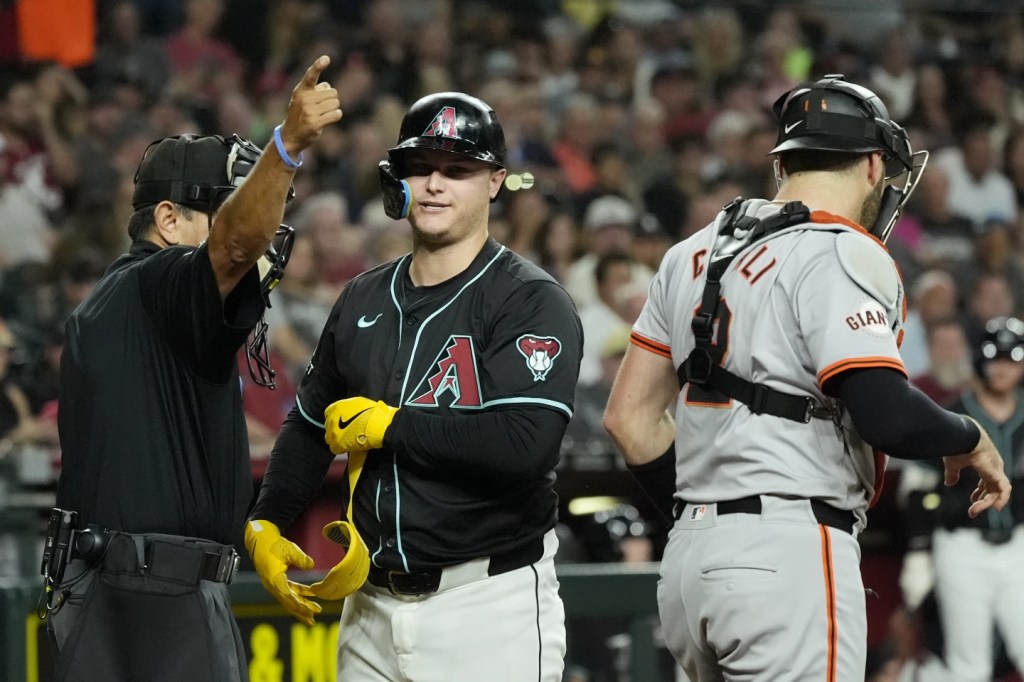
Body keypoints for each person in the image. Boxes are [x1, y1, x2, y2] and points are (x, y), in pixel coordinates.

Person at [602, 74, 1012, 681]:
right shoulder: (840, 248)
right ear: (873, 165)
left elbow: (628, 419)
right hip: (787, 547)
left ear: (782, 164)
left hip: (690, 559)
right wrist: (969, 436)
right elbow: (886, 413)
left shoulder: (689, 253)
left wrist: (712, 524)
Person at [245, 92, 582, 681]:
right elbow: (308, 424)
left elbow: (525, 443)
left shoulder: (529, 299)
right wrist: (268, 520)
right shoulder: (363, 296)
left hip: (487, 603)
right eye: (420, 167)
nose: (435, 184)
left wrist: (393, 426)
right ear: (396, 177)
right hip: (368, 607)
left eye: (458, 170)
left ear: (495, 182)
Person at [46, 56, 342, 682]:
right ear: (168, 219)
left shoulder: (107, 304)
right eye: (227, 207)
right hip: (162, 598)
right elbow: (232, 246)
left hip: (98, 592)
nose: (261, 231)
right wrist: (285, 147)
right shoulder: (163, 282)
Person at [902, 316, 1024, 682]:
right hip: (962, 546)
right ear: (979, 360)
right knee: (970, 666)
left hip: (1018, 544)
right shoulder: (952, 414)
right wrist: (919, 550)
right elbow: (917, 488)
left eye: (1012, 358)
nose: (1002, 367)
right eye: (994, 357)